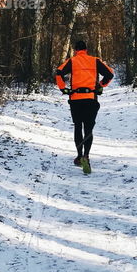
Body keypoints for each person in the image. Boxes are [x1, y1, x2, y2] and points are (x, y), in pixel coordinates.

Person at [55, 39, 114, 172]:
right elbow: (110, 74)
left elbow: (59, 72)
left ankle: (79, 156)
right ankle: (86, 156)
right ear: (86, 49)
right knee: (88, 128)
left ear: (76, 50)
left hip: (76, 99)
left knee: (78, 126)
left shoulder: (72, 61)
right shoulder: (95, 60)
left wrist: (63, 89)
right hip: (91, 99)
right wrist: (101, 85)